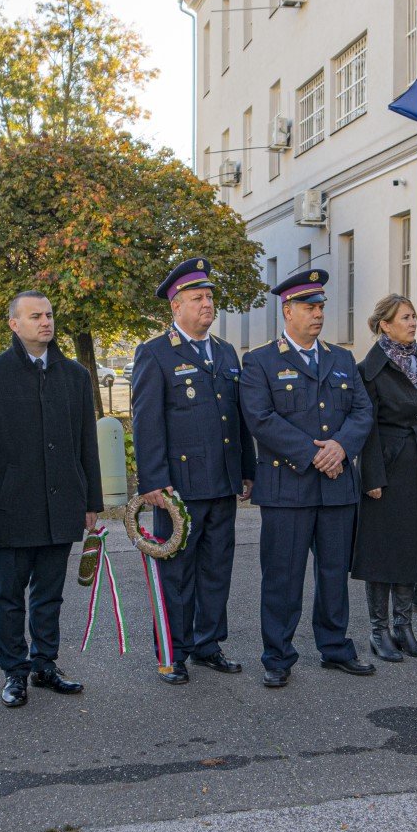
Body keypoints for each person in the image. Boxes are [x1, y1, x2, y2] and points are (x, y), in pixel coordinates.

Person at [0, 291, 102, 708]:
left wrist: (90, 501)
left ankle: (45, 663)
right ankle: (14, 671)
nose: (45, 322)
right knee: (9, 595)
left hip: (62, 504)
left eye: (49, 315)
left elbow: (87, 444)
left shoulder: (74, 376)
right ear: (14, 324)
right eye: (35, 316)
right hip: (12, 507)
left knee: (50, 592)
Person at [240, 268, 376, 687]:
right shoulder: (260, 361)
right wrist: (315, 454)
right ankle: (278, 656)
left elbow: (362, 411)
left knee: (334, 574)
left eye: (321, 307)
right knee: (283, 576)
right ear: (288, 311)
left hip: (336, 486)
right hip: (287, 488)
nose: (318, 314)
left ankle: (335, 648)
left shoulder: (341, 358)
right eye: (309, 307)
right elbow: (260, 418)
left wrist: (341, 447)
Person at [128, 259, 254, 685]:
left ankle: (208, 644)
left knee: (217, 567)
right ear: (175, 306)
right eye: (198, 297)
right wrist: (152, 481)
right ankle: (173, 651)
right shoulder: (155, 352)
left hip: (222, 480)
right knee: (177, 572)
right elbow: (146, 421)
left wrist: (246, 470)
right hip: (178, 487)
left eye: (210, 297)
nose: (207, 304)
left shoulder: (225, 351)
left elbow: (237, 418)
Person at [352, 295, 417, 661]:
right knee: (382, 551)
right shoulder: (369, 369)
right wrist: (372, 477)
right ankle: (379, 630)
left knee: (412, 546)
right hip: (387, 469)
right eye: (405, 317)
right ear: (385, 325)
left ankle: (404, 627)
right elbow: (367, 427)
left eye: (413, 316)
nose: (412, 322)